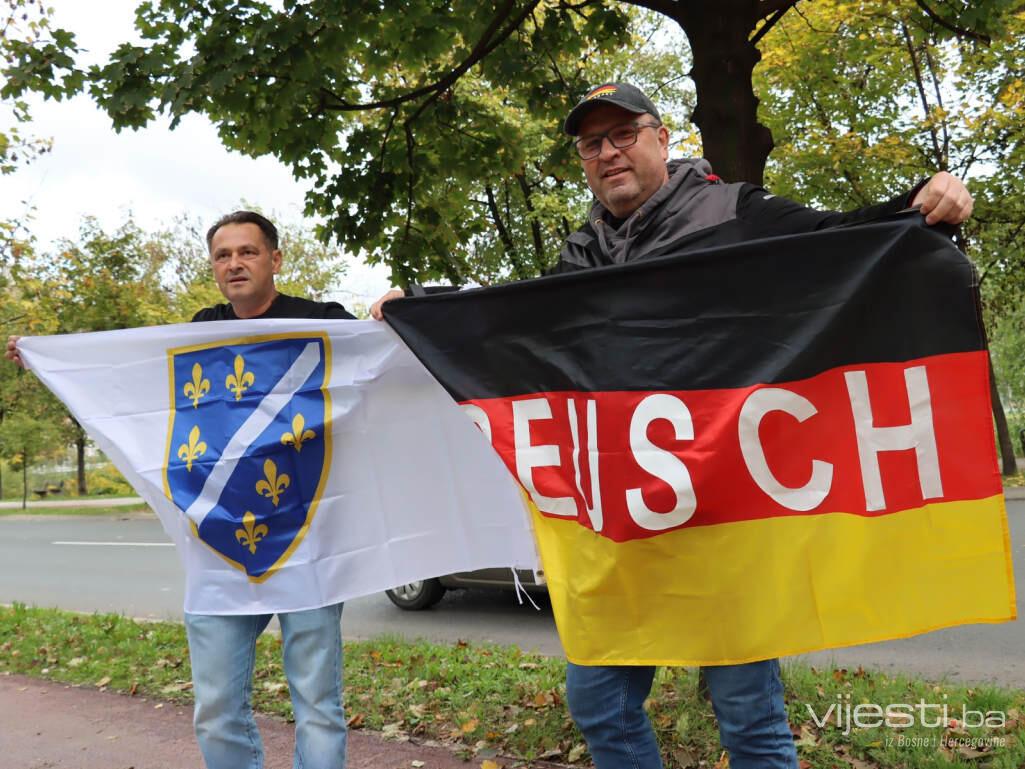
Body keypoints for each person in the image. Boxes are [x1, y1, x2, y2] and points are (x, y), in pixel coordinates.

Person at [370, 83, 974, 769]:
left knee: (748, 719)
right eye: (591, 144)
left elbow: (842, 240)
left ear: (661, 138)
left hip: (724, 519)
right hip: (624, 527)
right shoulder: (581, 256)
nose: (608, 152)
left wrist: (921, 204)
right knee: (599, 703)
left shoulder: (733, 210)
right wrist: (418, 309)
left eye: (623, 134)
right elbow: (514, 327)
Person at [8, 210, 354, 769]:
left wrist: (398, 308)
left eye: (248, 252)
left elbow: (380, 367)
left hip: (305, 540)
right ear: (214, 267)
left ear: (275, 259)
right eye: (223, 255)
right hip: (219, 544)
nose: (235, 263)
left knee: (317, 704)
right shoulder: (198, 331)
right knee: (215, 707)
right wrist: (53, 356)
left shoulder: (326, 323)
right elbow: (126, 370)